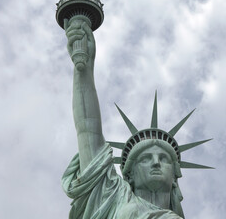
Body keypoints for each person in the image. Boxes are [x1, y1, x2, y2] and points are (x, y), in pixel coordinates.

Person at [61, 15, 184, 218]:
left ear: (175, 177)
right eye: (145, 159)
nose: (156, 162)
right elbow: (87, 129)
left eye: (164, 159)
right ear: (130, 175)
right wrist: (83, 67)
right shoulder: (111, 197)